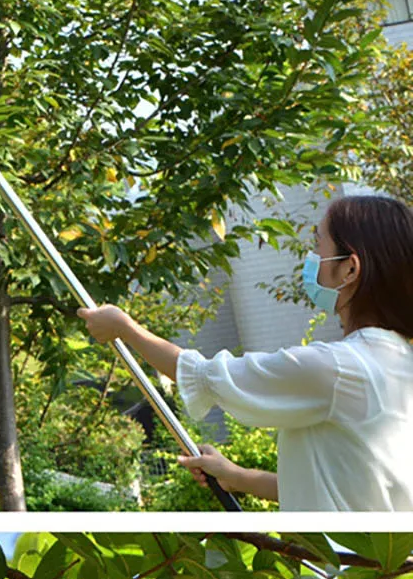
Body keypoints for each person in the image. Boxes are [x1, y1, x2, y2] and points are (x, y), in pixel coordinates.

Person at [78, 193, 413, 511]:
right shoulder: (399, 364)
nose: (311, 259)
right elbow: (335, 488)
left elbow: (203, 376)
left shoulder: (338, 369)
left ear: (350, 269)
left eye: (318, 245)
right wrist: (236, 477)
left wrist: (124, 328)